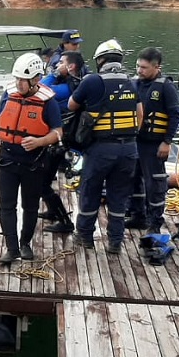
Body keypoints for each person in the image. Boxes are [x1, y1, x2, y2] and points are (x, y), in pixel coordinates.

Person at [68, 39, 143, 254]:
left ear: (100, 61)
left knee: (90, 191)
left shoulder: (92, 81)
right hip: (129, 149)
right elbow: (140, 115)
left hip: (101, 148)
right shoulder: (132, 82)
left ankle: (84, 236)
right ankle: (115, 242)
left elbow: (71, 105)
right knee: (119, 196)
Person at [0, 53, 63, 263]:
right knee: (6, 205)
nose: (18, 83)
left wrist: (39, 142)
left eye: (23, 80)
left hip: (33, 163)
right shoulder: (8, 95)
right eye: (17, 78)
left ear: (36, 79)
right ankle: (11, 248)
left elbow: (57, 132)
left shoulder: (48, 102)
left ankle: (25, 243)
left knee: (30, 206)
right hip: (8, 160)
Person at [125, 48, 179, 234]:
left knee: (154, 184)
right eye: (138, 66)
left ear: (157, 67)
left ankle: (154, 222)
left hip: (155, 144)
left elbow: (175, 116)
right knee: (133, 179)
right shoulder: (134, 83)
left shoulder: (166, 86)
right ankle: (138, 215)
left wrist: (167, 142)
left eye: (144, 67)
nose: (139, 70)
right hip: (135, 142)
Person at [38, 50, 87, 233]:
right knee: (47, 179)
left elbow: (41, 88)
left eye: (61, 63)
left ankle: (65, 222)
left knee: (42, 183)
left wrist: (54, 74)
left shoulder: (69, 87)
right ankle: (52, 211)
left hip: (60, 141)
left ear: (70, 66)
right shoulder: (75, 84)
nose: (57, 65)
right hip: (62, 140)